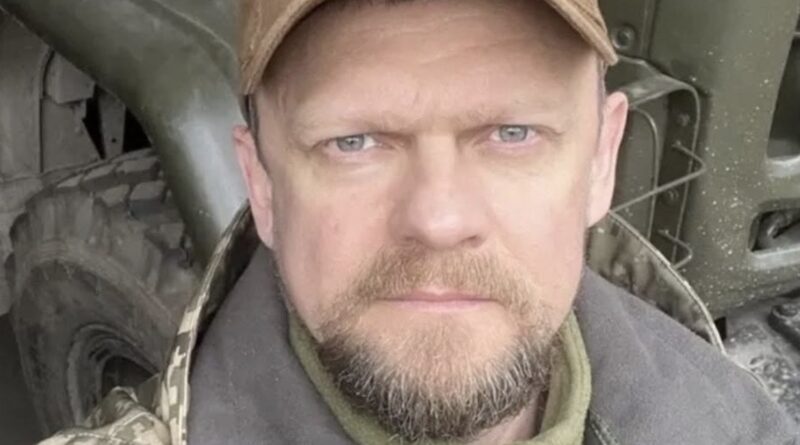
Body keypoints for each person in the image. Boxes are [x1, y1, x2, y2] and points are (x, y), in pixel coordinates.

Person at [40, 0, 798, 444]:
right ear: (261, 183)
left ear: (602, 161)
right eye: (354, 142)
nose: (438, 218)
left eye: (512, 133)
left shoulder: (736, 426)